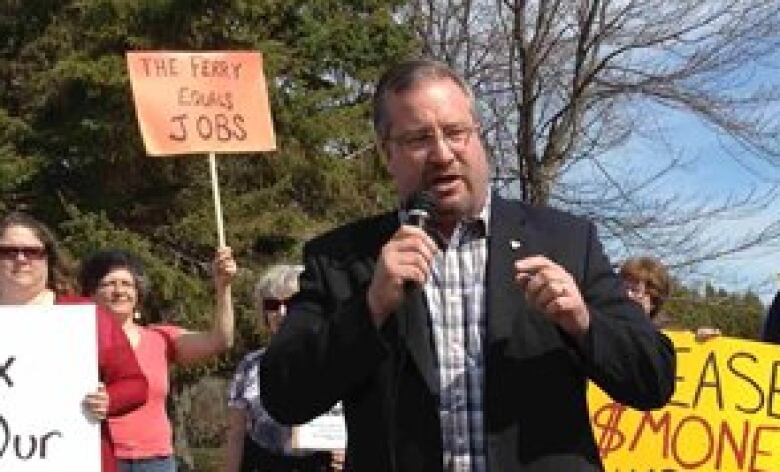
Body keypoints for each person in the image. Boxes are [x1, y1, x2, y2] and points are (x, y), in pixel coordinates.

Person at [259, 59, 675, 471]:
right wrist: (369, 308)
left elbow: (654, 379)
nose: (442, 154)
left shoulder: (566, 242)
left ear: (478, 137)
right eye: (419, 138)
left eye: (456, 132)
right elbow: (283, 396)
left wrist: (584, 323)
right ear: (388, 153)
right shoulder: (342, 258)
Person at [0, 212, 148, 472]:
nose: (21, 259)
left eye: (32, 251)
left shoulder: (85, 316)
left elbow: (135, 384)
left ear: (48, 257)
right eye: (9, 251)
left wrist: (109, 399)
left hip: (75, 460)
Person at [79, 247, 236, 472]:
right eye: (108, 283)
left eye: (127, 284)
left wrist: (224, 287)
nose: (119, 290)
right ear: (91, 293)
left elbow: (220, 340)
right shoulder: (76, 342)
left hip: (156, 461)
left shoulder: (160, 338)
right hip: (100, 458)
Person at [224, 264, 345, 472]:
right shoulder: (249, 365)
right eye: (272, 304)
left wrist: (345, 450)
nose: (280, 312)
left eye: (290, 304)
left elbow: (359, 424)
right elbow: (236, 435)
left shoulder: (335, 362)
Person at [619, 256, 720, 341]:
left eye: (634, 290)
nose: (626, 294)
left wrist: (705, 344)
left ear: (653, 300)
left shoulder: (669, 341)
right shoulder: (605, 331)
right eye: (622, 288)